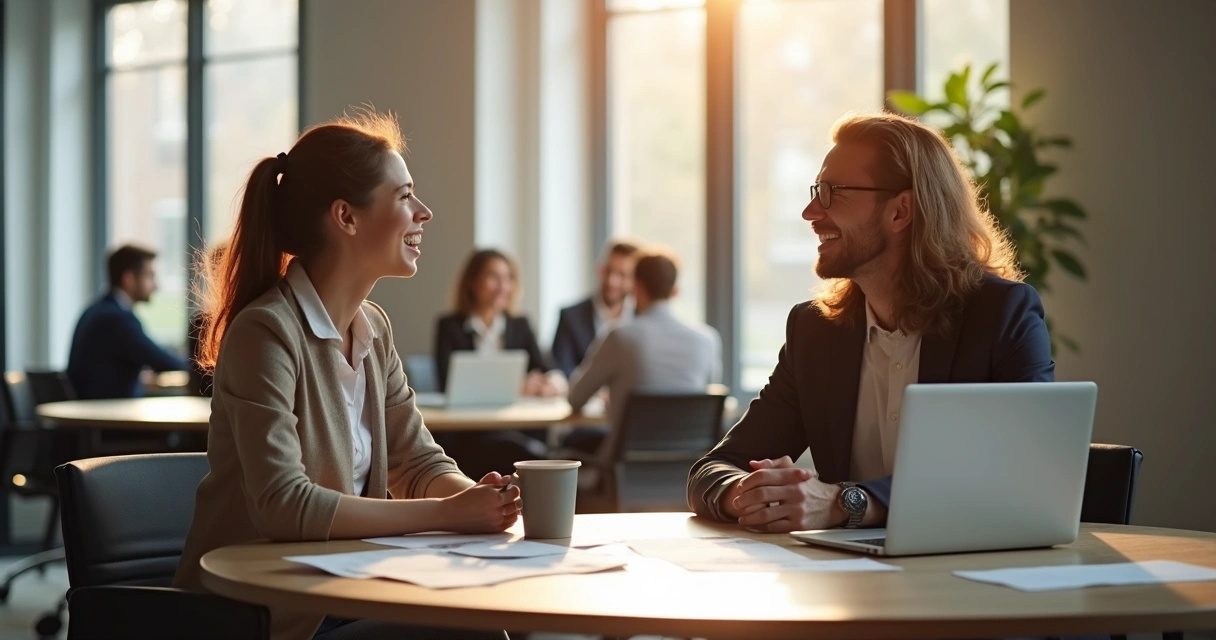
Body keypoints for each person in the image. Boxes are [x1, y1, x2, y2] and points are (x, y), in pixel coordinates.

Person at [173, 110, 520, 640]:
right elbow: (284, 506)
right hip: (268, 613)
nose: (424, 212)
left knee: (475, 622)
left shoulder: (373, 328)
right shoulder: (265, 332)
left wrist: (478, 502)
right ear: (347, 217)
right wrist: (448, 513)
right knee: (467, 632)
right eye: (404, 197)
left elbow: (416, 461)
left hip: (347, 590)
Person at [687, 112, 1053, 534]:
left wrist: (846, 503)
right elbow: (712, 470)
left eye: (831, 193)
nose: (810, 212)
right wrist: (749, 494)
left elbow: (1019, 474)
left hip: (972, 577)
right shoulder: (815, 331)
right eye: (814, 191)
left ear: (900, 212)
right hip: (850, 585)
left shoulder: (1001, 315)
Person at [566, 248, 722, 456]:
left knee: (568, 443)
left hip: (624, 470)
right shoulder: (707, 340)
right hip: (687, 469)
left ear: (636, 287)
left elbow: (576, 398)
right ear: (675, 290)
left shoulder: (620, 337)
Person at [434, 249, 564, 397]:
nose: (503, 286)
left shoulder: (520, 325)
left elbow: (546, 368)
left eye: (508, 278)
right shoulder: (449, 327)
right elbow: (447, 383)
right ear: (472, 281)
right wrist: (516, 388)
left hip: (513, 416)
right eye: (493, 277)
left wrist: (554, 382)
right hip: (468, 415)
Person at [65, 245, 188, 399]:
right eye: (150, 276)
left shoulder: (97, 309)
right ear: (129, 279)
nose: (156, 286)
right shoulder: (117, 319)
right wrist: (201, 364)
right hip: (108, 415)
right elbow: (164, 361)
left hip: (93, 411)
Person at [551, 239, 640, 377]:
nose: (612, 281)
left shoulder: (642, 319)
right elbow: (561, 369)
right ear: (600, 269)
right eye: (608, 270)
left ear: (635, 281)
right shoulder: (570, 317)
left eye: (622, 275)